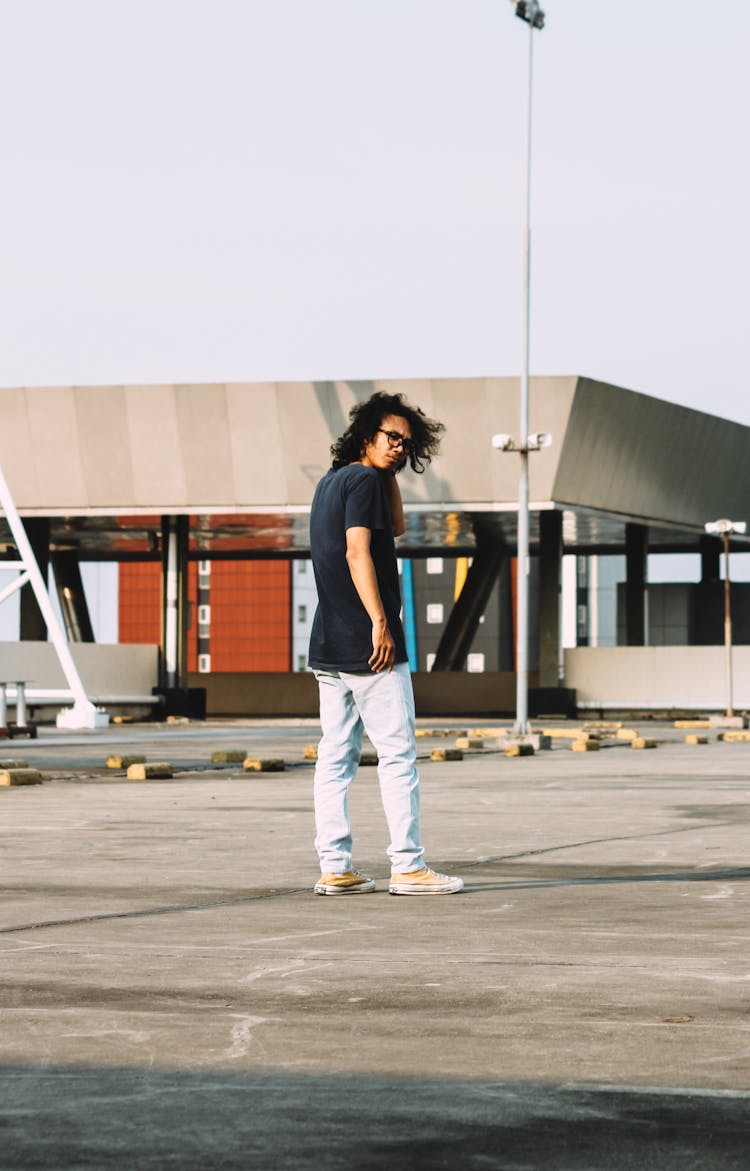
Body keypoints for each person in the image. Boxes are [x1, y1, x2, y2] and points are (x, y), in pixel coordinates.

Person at [308, 391, 464, 896]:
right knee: (398, 754)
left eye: (406, 443)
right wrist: (380, 620)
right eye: (390, 438)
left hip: (329, 643)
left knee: (336, 757)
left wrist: (389, 471)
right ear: (366, 435)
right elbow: (358, 553)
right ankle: (409, 866)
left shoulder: (334, 483)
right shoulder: (360, 480)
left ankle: (335, 867)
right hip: (369, 645)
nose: (398, 447)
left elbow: (393, 529)